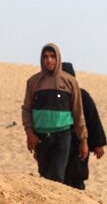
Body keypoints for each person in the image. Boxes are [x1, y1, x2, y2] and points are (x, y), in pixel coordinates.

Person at [22, 43, 88, 183]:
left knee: (57, 176)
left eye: (52, 56)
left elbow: (78, 112)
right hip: (41, 138)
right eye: (45, 57)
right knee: (44, 177)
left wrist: (83, 140)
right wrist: (29, 133)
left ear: (58, 58)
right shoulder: (33, 82)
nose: (49, 60)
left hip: (62, 136)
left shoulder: (70, 82)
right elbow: (27, 109)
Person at [61, 62, 107, 190]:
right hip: (58, 143)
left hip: (79, 145)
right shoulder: (54, 96)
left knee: (77, 176)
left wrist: (98, 144)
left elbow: (93, 120)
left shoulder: (83, 96)